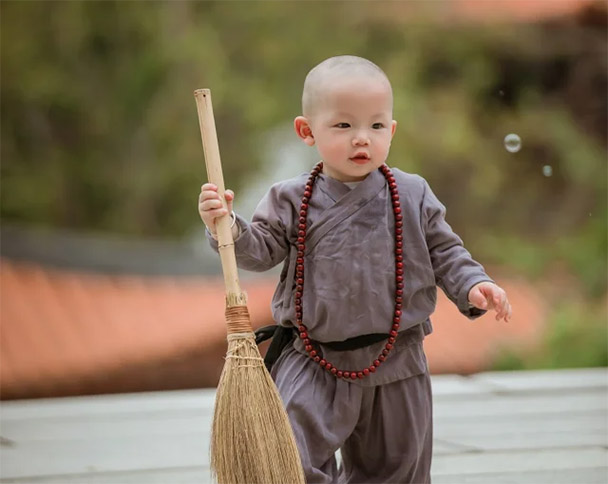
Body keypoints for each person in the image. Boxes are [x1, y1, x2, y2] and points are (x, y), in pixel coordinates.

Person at [198, 55, 512, 484]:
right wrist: (227, 226)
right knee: (290, 459)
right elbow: (259, 250)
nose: (361, 139)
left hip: (397, 357)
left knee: (397, 469)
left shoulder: (413, 194)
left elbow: (446, 251)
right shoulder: (290, 199)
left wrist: (474, 284)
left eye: (376, 126)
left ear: (392, 130)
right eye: (344, 126)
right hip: (313, 357)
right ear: (307, 131)